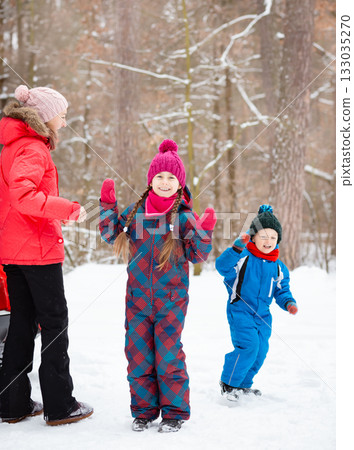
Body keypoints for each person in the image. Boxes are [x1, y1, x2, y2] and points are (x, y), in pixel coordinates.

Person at [99, 139, 216, 432]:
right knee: (137, 355)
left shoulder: (184, 217)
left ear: (180, 183)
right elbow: (111, 234)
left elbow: (198, 255)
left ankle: (174, 412)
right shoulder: (136, 212)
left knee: (167, 356)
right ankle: (144, 411)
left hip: (171, 301)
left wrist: (205, 231)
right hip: (137, 299)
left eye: (171, 178)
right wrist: (107, 206)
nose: (164, 182)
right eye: (159, 177)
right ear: (151, 180)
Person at [0, 85, 93, 425]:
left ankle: (13, 403)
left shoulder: (13, 146)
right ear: (44, 116)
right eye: (62, 116)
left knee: (23, 324)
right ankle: (60, 404)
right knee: (54, 325)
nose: (64, 123)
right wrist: (68, 208)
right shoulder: (33, 149)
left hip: (13, 249)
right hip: (36, 251)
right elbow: (24, 197)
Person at [215, 204, 298, 401]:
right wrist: (236, 248)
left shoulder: (278, 266)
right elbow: (222, 267)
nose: (268, 241)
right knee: (249, 346)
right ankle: (229, 384)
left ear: (278, 240)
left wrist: (288, 302)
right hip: (240, 310)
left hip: (263, 315)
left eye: (273, 237)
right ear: (253, 237)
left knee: (260, 351)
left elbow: (281, 290)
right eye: (263, 236)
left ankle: (243, 385)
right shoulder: (243, 257)